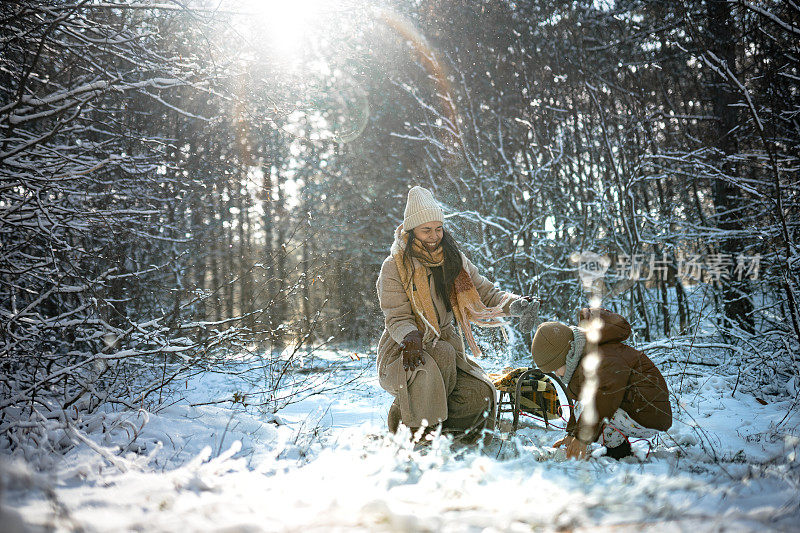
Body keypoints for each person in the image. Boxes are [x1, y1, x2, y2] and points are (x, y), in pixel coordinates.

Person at [376, 186, 539, 443]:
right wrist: (410, 336)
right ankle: (411, 429)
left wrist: (515, 304)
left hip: (444, 346)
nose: (434, 236)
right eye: (426, 230)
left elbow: (485, 292)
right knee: (440, 353)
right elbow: (396, 315)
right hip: (404, 350)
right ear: (412, 231)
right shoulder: (394, 266)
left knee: (480, 393)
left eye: (438, 228)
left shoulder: (454, 260)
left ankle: (449, 434)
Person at [530, 307, 672, 459]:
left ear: (569, 354)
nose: (557, 374)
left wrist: (581, 438)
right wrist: (572, 434)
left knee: (592, 405)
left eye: (556, 368)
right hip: (633, 410)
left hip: (648, 414)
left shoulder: (604, 357)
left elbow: (603, 398)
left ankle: (617, 448)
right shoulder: (588, 357)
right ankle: (619, 451)